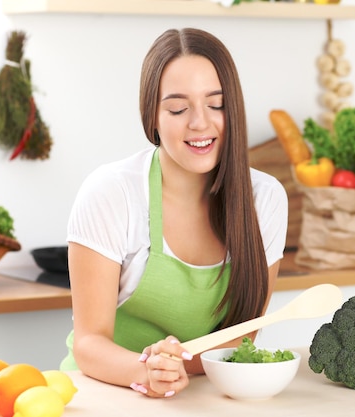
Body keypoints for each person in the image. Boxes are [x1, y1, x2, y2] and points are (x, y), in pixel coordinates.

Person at [59, 27, 288, 398]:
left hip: (202, 395)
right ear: (152, 116)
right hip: (104, 393)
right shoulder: (111, 193)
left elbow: (240, 336)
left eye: (216, 105)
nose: (200, 123)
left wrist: (173, 368)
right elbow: (88, 343)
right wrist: (149, 371)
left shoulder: (265, 200)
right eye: (179, 108)